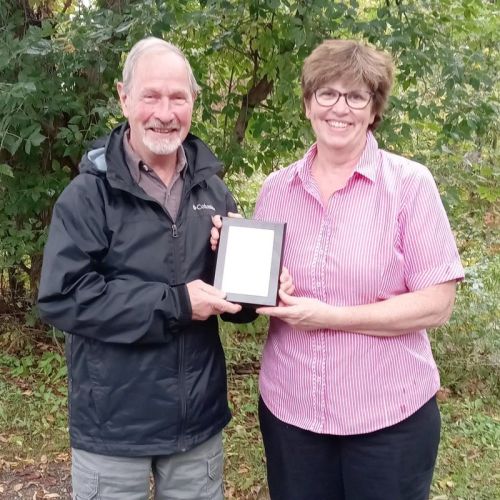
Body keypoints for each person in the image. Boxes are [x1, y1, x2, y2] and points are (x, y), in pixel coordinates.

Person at [213, 39, 464, 500]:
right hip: (293, 417)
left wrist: (331, 316)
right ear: (308, 104)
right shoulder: (276, 189)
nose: (339, 108)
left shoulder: (409, 186)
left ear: (373, 109)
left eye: (356, 96)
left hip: (389, 419)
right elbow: (262, 289)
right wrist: (234, 256)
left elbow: (437, 304)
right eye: (326, 93)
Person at [37, 36, 258, 500]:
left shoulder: (211, 191)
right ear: (123, 97)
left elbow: (232, 302)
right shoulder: (88, 195)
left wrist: (256, 278)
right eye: (151, 96)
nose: (165, 111)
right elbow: (64, 296)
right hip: (113, 426)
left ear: (193, 101)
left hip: (195, 425)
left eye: (178, 97)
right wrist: (177, 303)